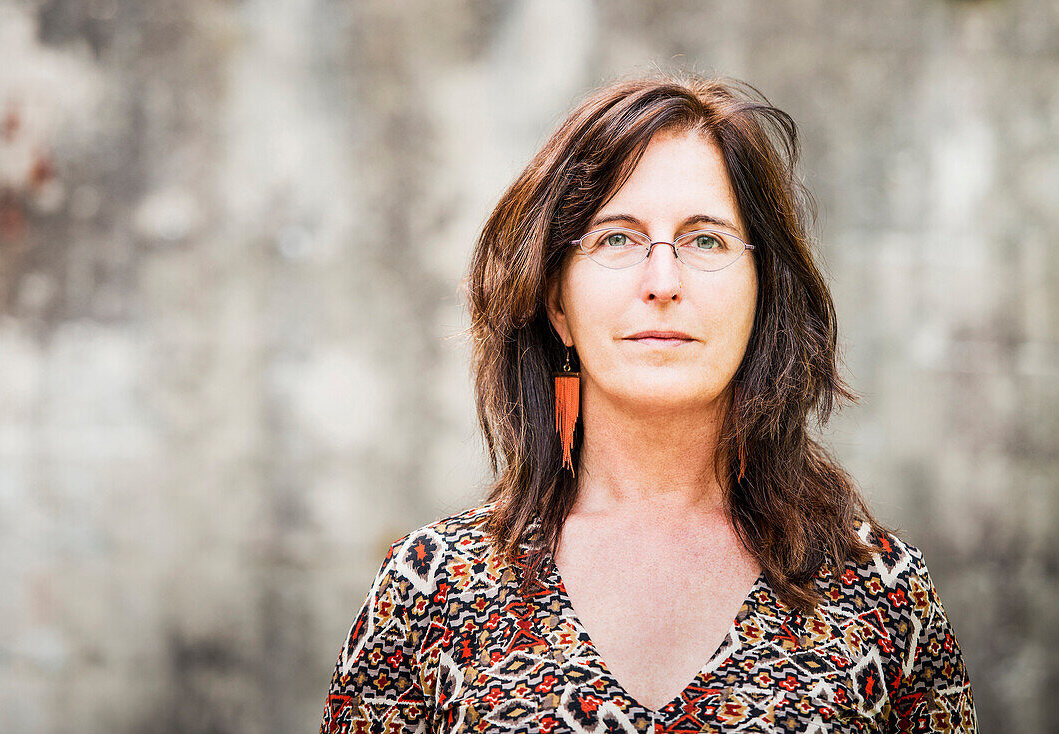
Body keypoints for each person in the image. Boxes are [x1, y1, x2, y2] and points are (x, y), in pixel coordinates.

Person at [318, 71, 977, 733]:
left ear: (762, 295)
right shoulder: (430, 592)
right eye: (617, 238)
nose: (662, 281)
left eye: (706, 240)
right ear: (558, 305)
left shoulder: (883, 596)